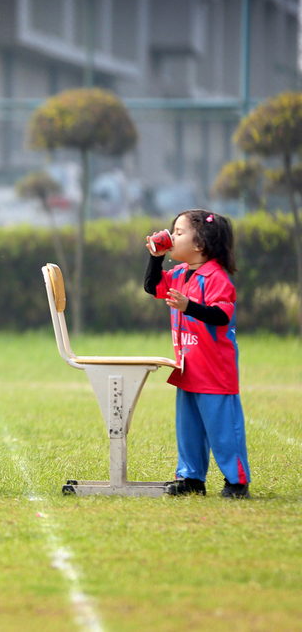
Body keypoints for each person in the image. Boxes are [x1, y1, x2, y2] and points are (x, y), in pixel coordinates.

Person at [144, 209, 251, 499]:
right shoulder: (178, 274)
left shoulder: (216, 278)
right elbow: (152, 286)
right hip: (187, 369)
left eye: (178, 233)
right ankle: (191, 478)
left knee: (224, 431)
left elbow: (220, 315)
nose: (172, 236)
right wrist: (155, 256)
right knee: (188, 430)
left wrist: (188, 306)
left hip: (215, 372)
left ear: (200, 243)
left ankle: (236, 482)